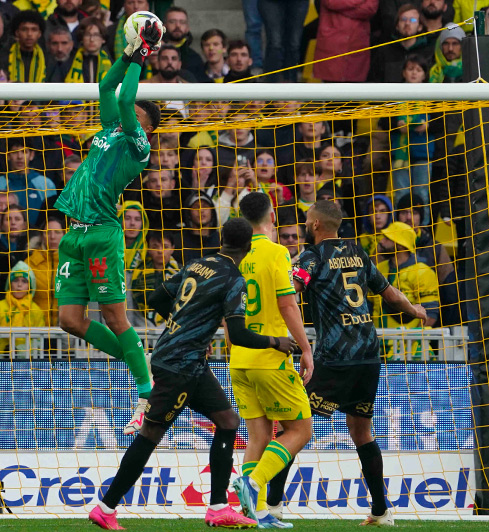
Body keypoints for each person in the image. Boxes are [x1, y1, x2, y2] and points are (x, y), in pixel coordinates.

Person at [87, 218, 284, 531]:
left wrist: (187, 326)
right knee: (150, 435)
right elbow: (239, 334)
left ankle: (218, 506)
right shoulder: (234, 279)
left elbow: (156, 298)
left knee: (228, 422)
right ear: (248, 247)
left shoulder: (198, 264)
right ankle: (106, 506)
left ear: (222, 239)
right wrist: (277, 342)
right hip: (180, 365)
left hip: (185, 360)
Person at [248, 200, 429, 526]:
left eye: (306, 220)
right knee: (362, 431)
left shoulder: (311, 257)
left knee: (293, 426)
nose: (304, 225)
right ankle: (380, 511)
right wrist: (415, 310)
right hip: (369, 355)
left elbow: (290, 290)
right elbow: (390, 294)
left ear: (316, 225)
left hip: (335, 357)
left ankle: (272, 504)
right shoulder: (358, 252)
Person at [54, 16, 163, 436]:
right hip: (73, 234)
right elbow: (106, 89)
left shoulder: (139, 148)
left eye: (134, 114)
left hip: (101, 232)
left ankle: (145, 385)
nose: (125, 113)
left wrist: (142, 56)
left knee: (116, 318)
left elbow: (123, 101)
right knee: (69, 320)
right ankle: (142, 361)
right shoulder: (108, 130)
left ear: (146, 127)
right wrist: (124, 55)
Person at [229, 193, 313, 527]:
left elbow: (226, 310)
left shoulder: (233, 255)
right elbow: (287, 304)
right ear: (272, 215)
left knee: (259, 436)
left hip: (239, 359)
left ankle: (258, 512)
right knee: (300, 430)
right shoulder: (278, 252)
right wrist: (306, 349)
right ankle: (253, 482)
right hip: (271, 357)